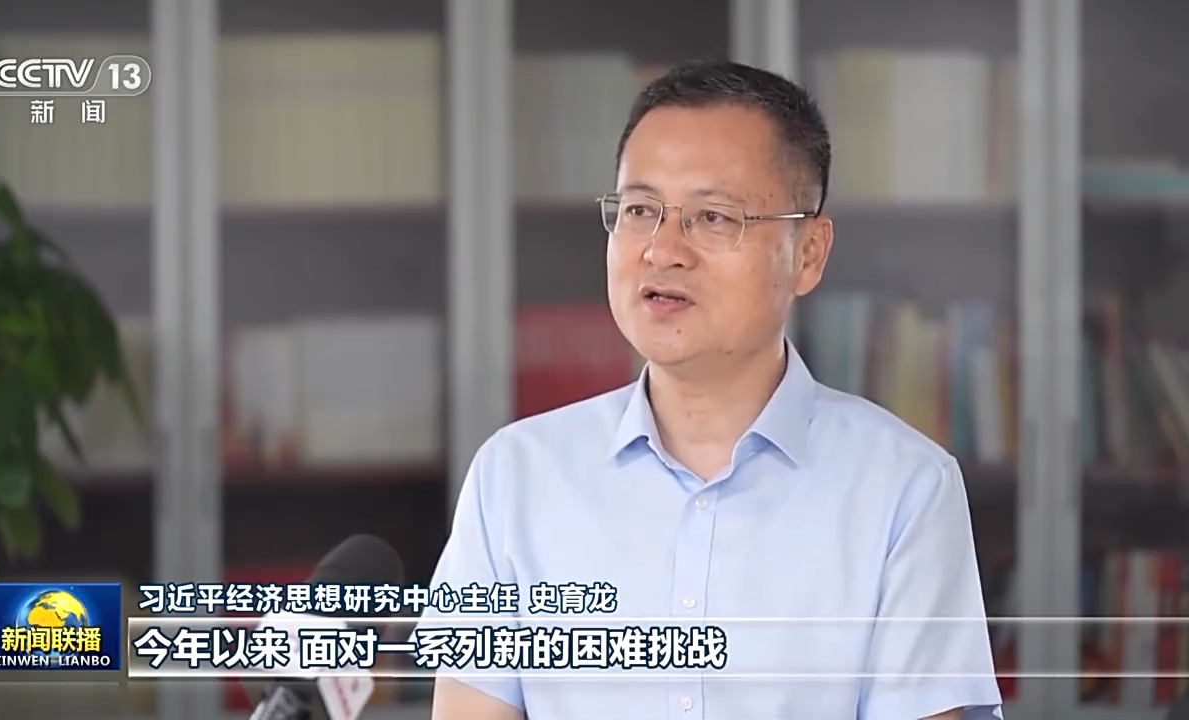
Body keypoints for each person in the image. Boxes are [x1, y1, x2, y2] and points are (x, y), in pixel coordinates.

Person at [423, 59, 1003, 719]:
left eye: (714, 217)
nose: (662, 249)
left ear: (808, 253)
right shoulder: (515, 478)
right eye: (640, 210)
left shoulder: (904, 489)